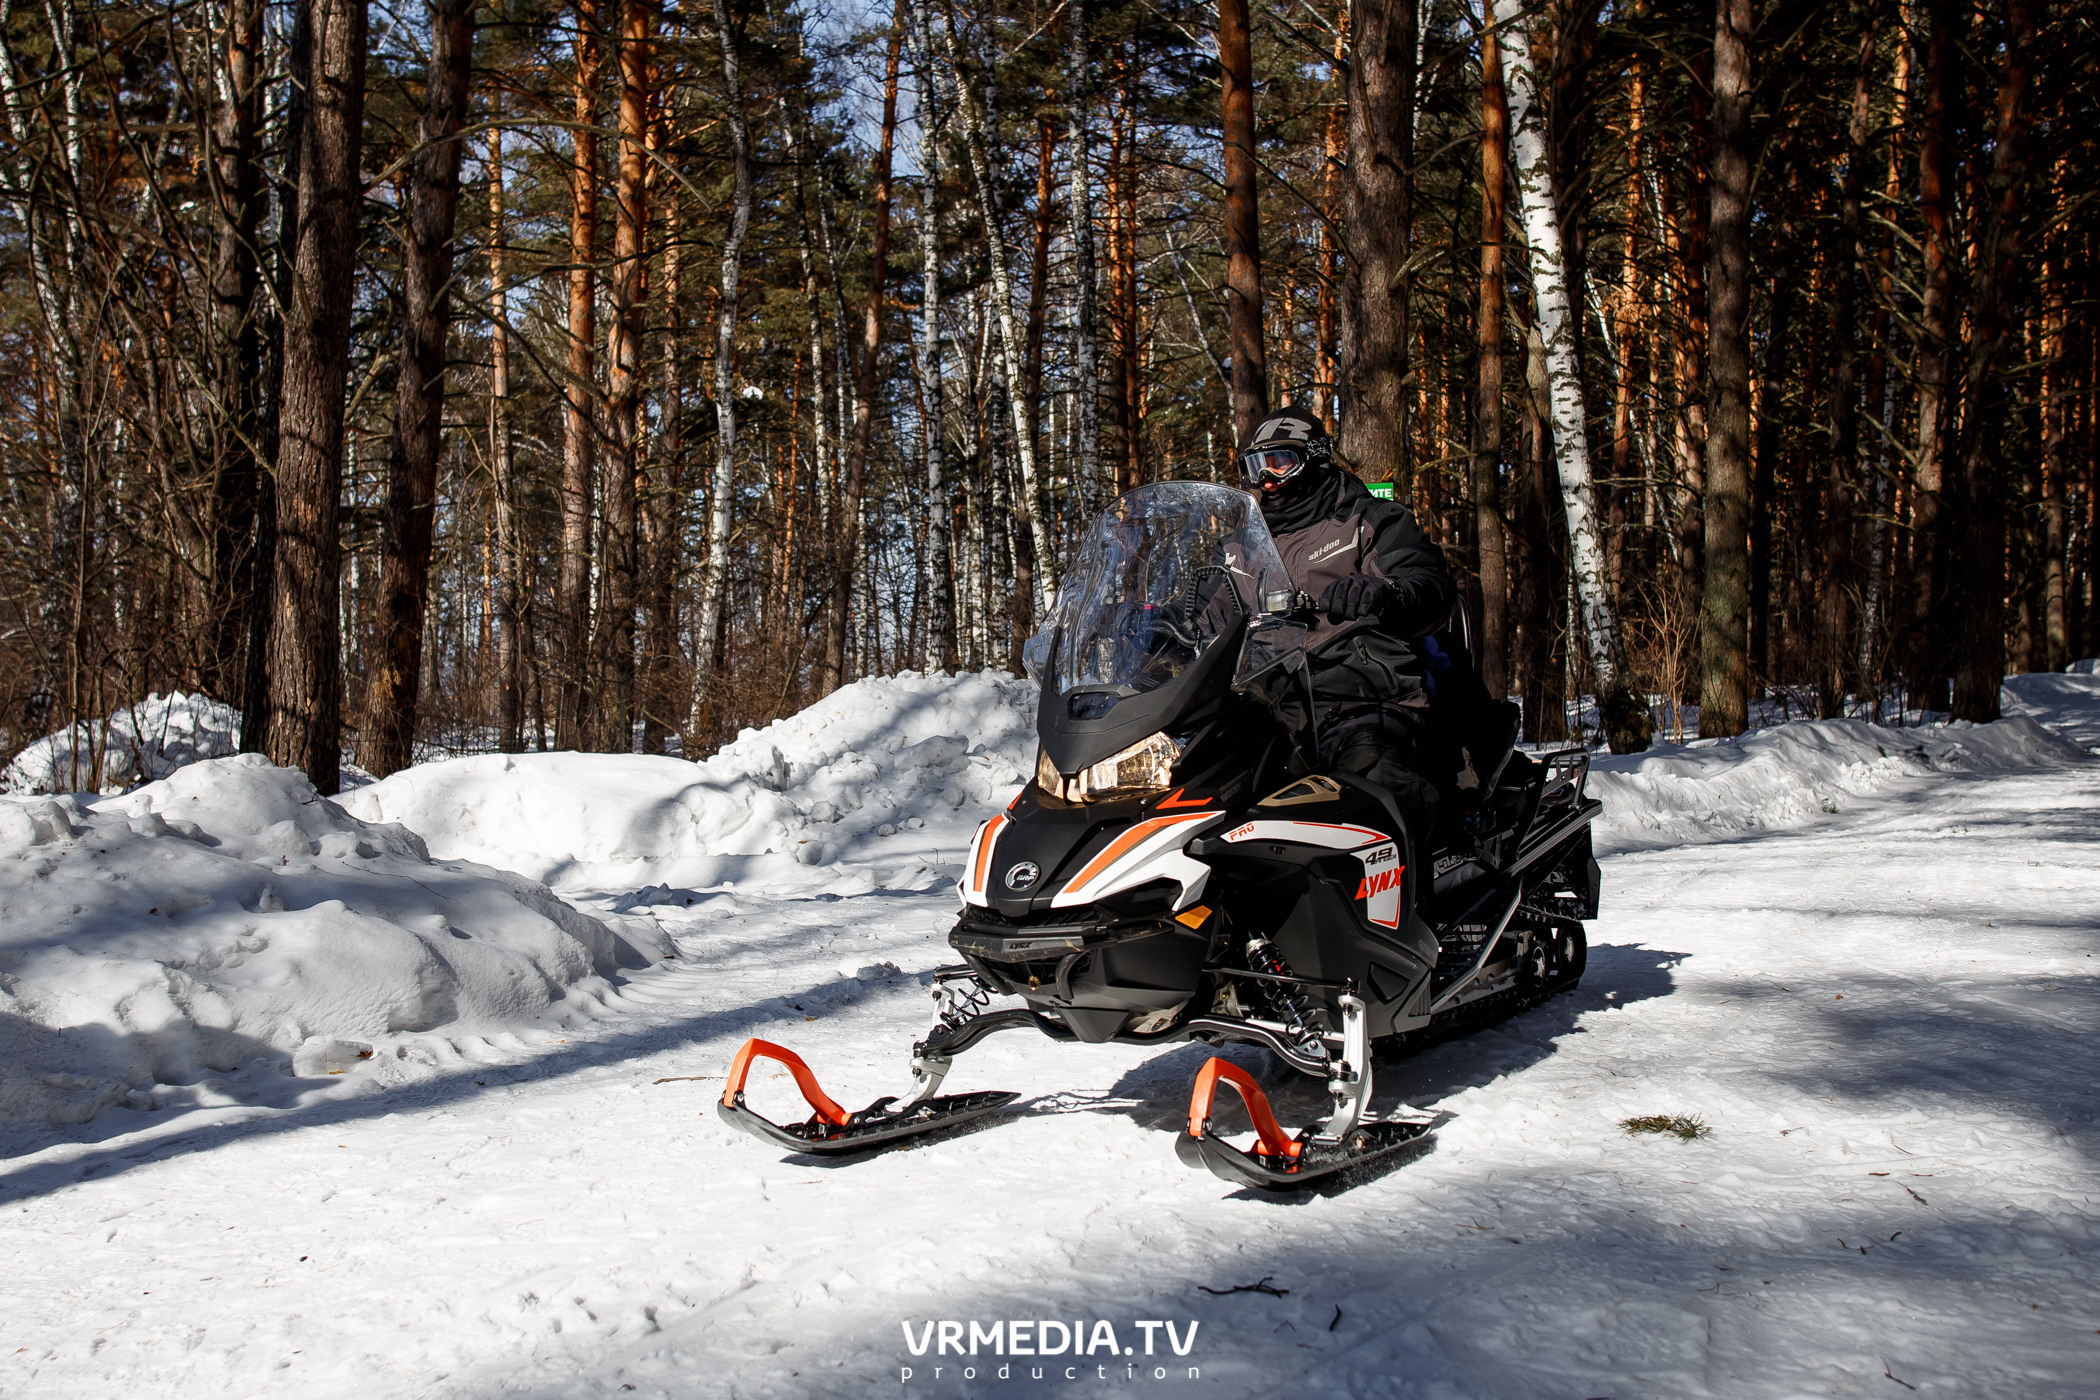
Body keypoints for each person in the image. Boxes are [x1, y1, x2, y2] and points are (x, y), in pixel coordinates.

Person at [1239, 405, 1459, 851]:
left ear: (1314, 458)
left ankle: (1414, 906)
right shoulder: (1242, 550)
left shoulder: (1369, 522)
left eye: (1279, 462)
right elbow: (1203, 616)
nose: (1266, 480)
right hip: (1266, 707)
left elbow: (1431, 586)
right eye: (1255, 466)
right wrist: (1152, 630)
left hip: (1363, 696)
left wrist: (1387, 593)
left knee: (1370, 789)